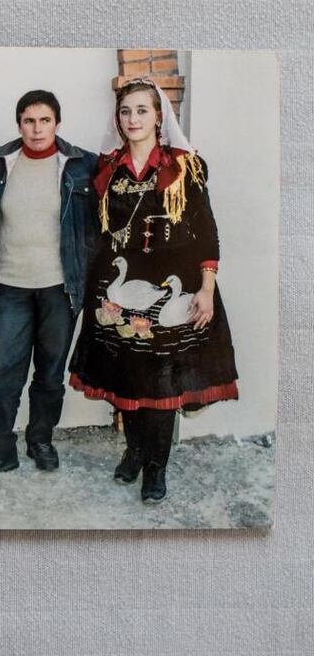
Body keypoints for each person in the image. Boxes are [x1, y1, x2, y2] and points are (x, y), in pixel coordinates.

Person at [69, 78, 238, 503]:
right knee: (127, 375)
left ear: (159, 116)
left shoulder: (186, 166)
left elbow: (206, 230)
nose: (133, 119)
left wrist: (206, 288)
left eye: (142, 110)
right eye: (126, 112)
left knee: (161, 383)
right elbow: (101, 234)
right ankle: (135, 449)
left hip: (171, 291)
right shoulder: (108, 169)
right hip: (118, 289)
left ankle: (156, 468)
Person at [0, 90, 98, 483]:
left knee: (50, 374)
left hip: (61, 289)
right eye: (28, 121)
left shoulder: (80, 165)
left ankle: (41, 440)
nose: (37, 129)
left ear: (58, 123)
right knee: (3, 373)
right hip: (10, 288)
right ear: (18, 123)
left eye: (45, 121)